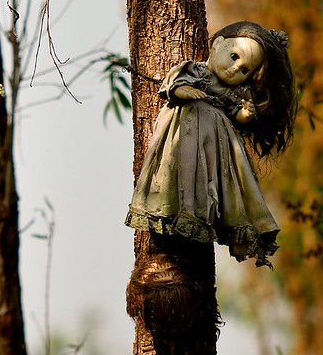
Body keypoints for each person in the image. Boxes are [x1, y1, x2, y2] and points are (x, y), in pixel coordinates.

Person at [125, 21, 296, 267]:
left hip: (216, 147)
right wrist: (185, 91)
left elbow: (236, 113)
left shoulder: (233, 93)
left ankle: (207, 216)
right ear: (217, 44)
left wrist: (245, 114)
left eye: (245, 69)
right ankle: (174, 212)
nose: (235, 68)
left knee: (213, 185)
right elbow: (174, 85)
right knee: (181, 174)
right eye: (234, 56)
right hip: (186, 133)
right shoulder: (196, 72)